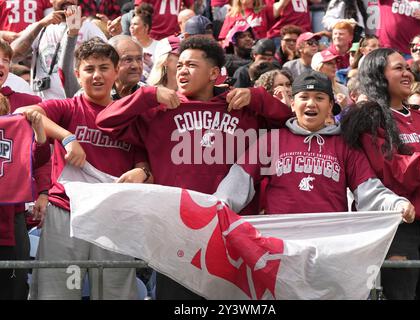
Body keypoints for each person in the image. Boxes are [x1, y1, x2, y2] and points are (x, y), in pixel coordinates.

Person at [95, 36, 294, 299]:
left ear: (214, 73)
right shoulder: (159, 111)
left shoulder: (242, 107)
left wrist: (257, 97)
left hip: (233, 232)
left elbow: (290, 123)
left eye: (191, 65)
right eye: (179, 66)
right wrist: (148, 94)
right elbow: (105, 121)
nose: (182, 71)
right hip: (177, 233)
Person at [15, 38, 152, 300]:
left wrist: (142, 172)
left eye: (103, 68)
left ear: (115, 72)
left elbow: (144, 160)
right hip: (67, 212)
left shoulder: (129, 116)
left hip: (113, 213)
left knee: (114, 293)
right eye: (89, 69)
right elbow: (26, 111)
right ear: (78, 74)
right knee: (57, 292)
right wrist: (68, 137)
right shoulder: (66, 107)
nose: (97, 75)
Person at [214, 71, 415, 223]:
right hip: (280, 244)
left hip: (328, 244)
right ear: (292, 104)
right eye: (304, 97)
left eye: (319, 98)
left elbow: (369, 190)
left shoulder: (345, 145)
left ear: (330, 106)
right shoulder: (271, 141)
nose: (311, 104)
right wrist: (214, 208)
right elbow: (238, 181)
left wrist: (396, 204)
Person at [340, 47, 420, 300]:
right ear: (379, 74)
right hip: (398, 228)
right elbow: (390, 170)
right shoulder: (369, 119)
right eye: (398, 68)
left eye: (407, 67)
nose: (407, 72)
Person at [0, 38, 50, 300]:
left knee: (14, 287)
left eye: (6, 59)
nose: (1, 64)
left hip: (12, 212)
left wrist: (43, 192)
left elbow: (41, 157)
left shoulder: (28, 103)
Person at [10, 2, 107, 100]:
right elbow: (13, 55)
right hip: (43, 106)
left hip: (75, 105)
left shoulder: (88, 28)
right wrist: (40, 24)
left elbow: (107, 61)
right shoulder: (41, 27)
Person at [130, 3, 158, 82]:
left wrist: (151, 64)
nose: (131, 27)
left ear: (146, 27)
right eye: (130, 24)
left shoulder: (159, 46)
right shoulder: (127, 46)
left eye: (135, 24)